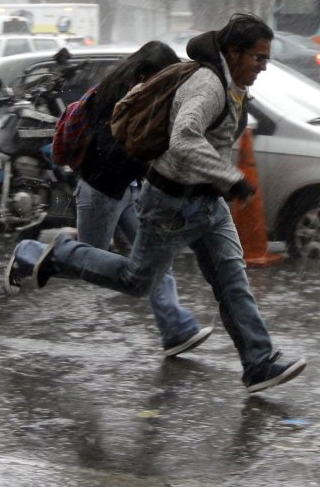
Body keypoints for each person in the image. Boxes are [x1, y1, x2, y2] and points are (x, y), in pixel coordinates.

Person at [5, 13, 307, 394]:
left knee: (233, 281)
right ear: (233, 52)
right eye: (258, 58)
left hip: (207, 203)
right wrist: (230, 177)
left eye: (266, 59)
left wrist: (220, 181)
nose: (263, 66)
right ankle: (52, 253)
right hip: (172, 203)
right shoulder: (208, 86)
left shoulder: (232, 84)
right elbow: (184, 139)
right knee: (136, 280)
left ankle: (258, 362)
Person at [72, 41, 214, 358]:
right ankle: (34, 253)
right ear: (143, 75)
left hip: (131, 190)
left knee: (155, 256)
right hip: (101, 193)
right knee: (88, 263)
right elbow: (112, 154)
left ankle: (176, 329)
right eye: (162, 78)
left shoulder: (140, 96)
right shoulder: (114, 98)